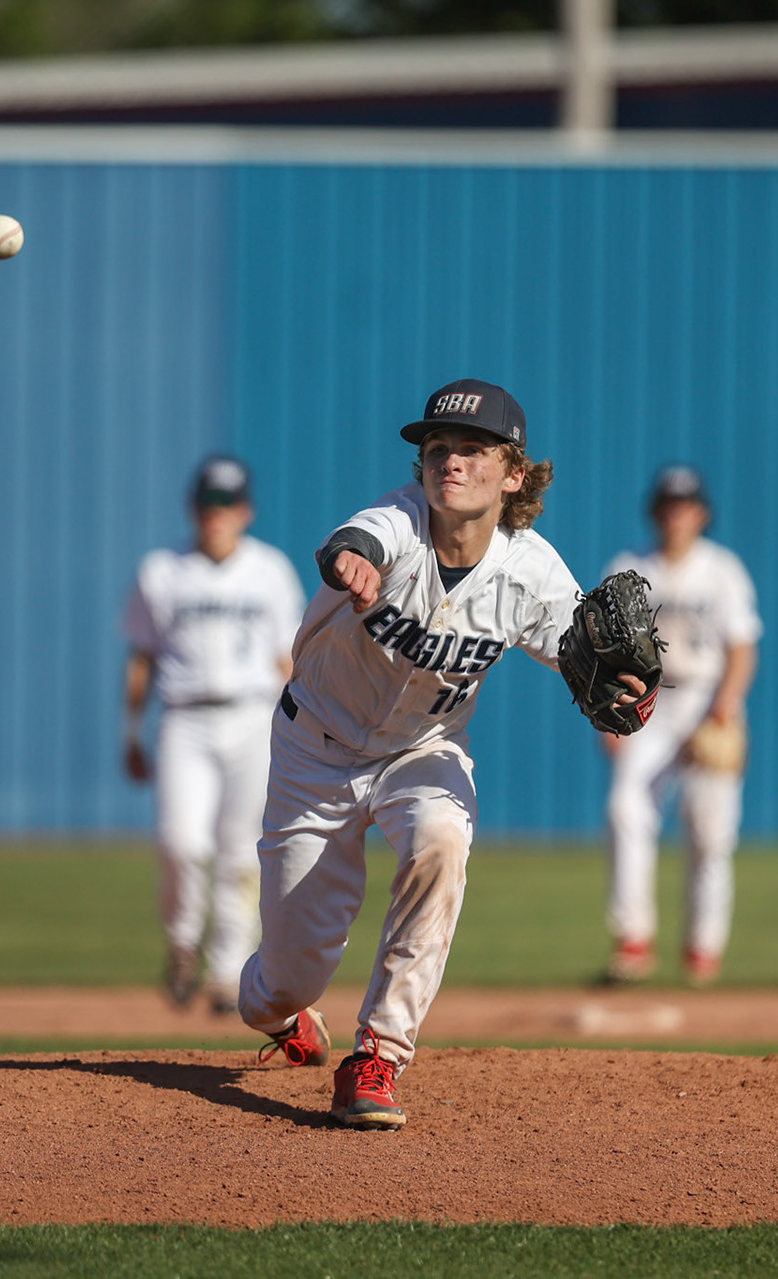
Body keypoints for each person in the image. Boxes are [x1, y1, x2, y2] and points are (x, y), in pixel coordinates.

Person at [237, 379, 658, 1130]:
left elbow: (577, 642)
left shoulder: (530, 569)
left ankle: (377, 1056)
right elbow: (353, 540)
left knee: (441, 838)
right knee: (287, 974)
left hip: (422, 751)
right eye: (438, 449)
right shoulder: (397, 520)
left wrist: (622, 677)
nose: (450, 462)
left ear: (514, 473)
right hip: (316, 751)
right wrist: (351, 561)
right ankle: (280, 1011)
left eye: (472, 450)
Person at [121, 456, 305, 1015]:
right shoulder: (162, 570)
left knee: (240, 852)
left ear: (245, 510)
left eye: (226, 504)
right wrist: (131, 730)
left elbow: (287, 659)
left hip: (252, 716)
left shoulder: (270, 570)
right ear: (193, 508)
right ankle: (182, 942)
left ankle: (227, 972)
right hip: (186, 718)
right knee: (181, 843)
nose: (216, 514)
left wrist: (302, 730)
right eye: (208, 503)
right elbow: (142, 657)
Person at [600, 465, 762, 987]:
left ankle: (703, 950)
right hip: (647, 703)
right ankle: (633, 942)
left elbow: (742, 647)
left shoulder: (722, 571)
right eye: (669, 506)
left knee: (710, 830)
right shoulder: (628, 569)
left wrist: (727, 704)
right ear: (656, 513)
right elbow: (604, 650)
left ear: (702, 514)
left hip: (707, 701)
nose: (677, 516)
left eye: (686, 506)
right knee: (626, 808)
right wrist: (607, 713)